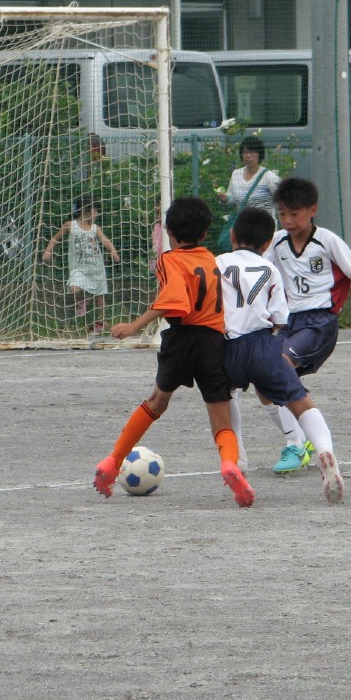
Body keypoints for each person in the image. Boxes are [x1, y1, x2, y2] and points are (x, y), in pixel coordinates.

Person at [93, 196, 255, 508]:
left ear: (168, 232)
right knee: (221, 418)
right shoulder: (211, 259)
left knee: (157, 401)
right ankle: (229, 464)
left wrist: (134, 325)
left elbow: (175, 301)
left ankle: (112, 463)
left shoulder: (169, 260)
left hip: (181, 339)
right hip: (212, 341)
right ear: (204, 233)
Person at [218, 207, 344, 503]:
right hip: (263, 345)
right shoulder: (270, 268)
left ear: (233, 236)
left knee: (225, 394)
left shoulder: (218, 263)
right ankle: (324, 449)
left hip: (227, 345)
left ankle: (238, 459)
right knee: (300, 401)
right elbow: (279, 319)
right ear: (266, 245)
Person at [263, 176, 351, 474]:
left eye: (294, 214)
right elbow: (260, 271)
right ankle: (303, 438)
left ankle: (295, 445)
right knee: (263, 377)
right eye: (282, 213)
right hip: (288, 322)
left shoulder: (326, 241)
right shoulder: (277, 241)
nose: (288, 220)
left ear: (312, 210)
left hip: (319, 322)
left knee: (279, 364)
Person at [42, 194, 120, 335]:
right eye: (95, 210)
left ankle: (100, 322)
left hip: (96, 268)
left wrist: (112, 250)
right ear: (85, 210)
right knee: (73, 287)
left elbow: (105, 240)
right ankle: (83, 299)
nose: (97, 214)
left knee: (99, 295)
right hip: (79, 268)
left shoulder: (95, 228)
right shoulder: (70, 225)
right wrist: (48, 251)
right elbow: (55, 238)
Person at [217, 135, 280, 220]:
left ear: (259, 154)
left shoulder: (269, 176)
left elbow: (282, 200)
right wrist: (225, 199)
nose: (248, 156)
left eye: (252, 152)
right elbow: (233, 200)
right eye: (245, 152)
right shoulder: (236, 174)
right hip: (242, 225)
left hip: (264, 224)